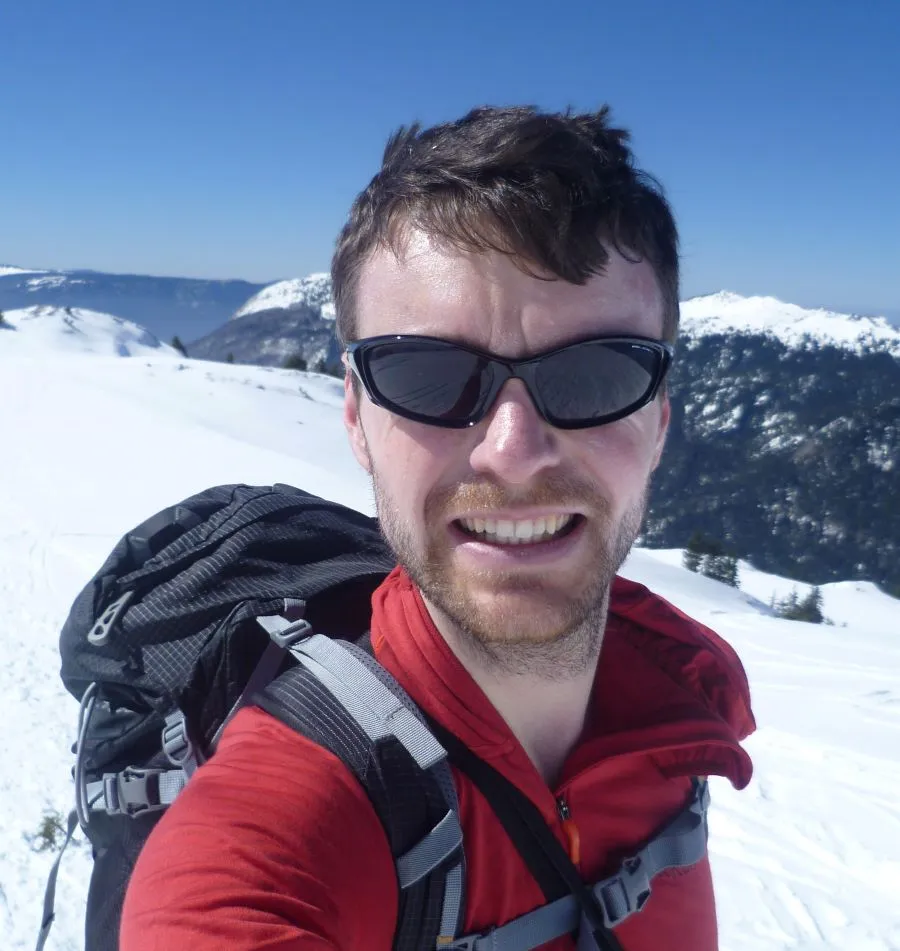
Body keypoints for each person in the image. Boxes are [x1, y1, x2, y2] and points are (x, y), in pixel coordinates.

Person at [120, 105, 755, 950]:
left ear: (661, 416)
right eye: (430, 375)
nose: (515, 450)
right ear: (354, 414)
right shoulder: (270, 838)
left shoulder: (678, 724)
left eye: (599, 374)